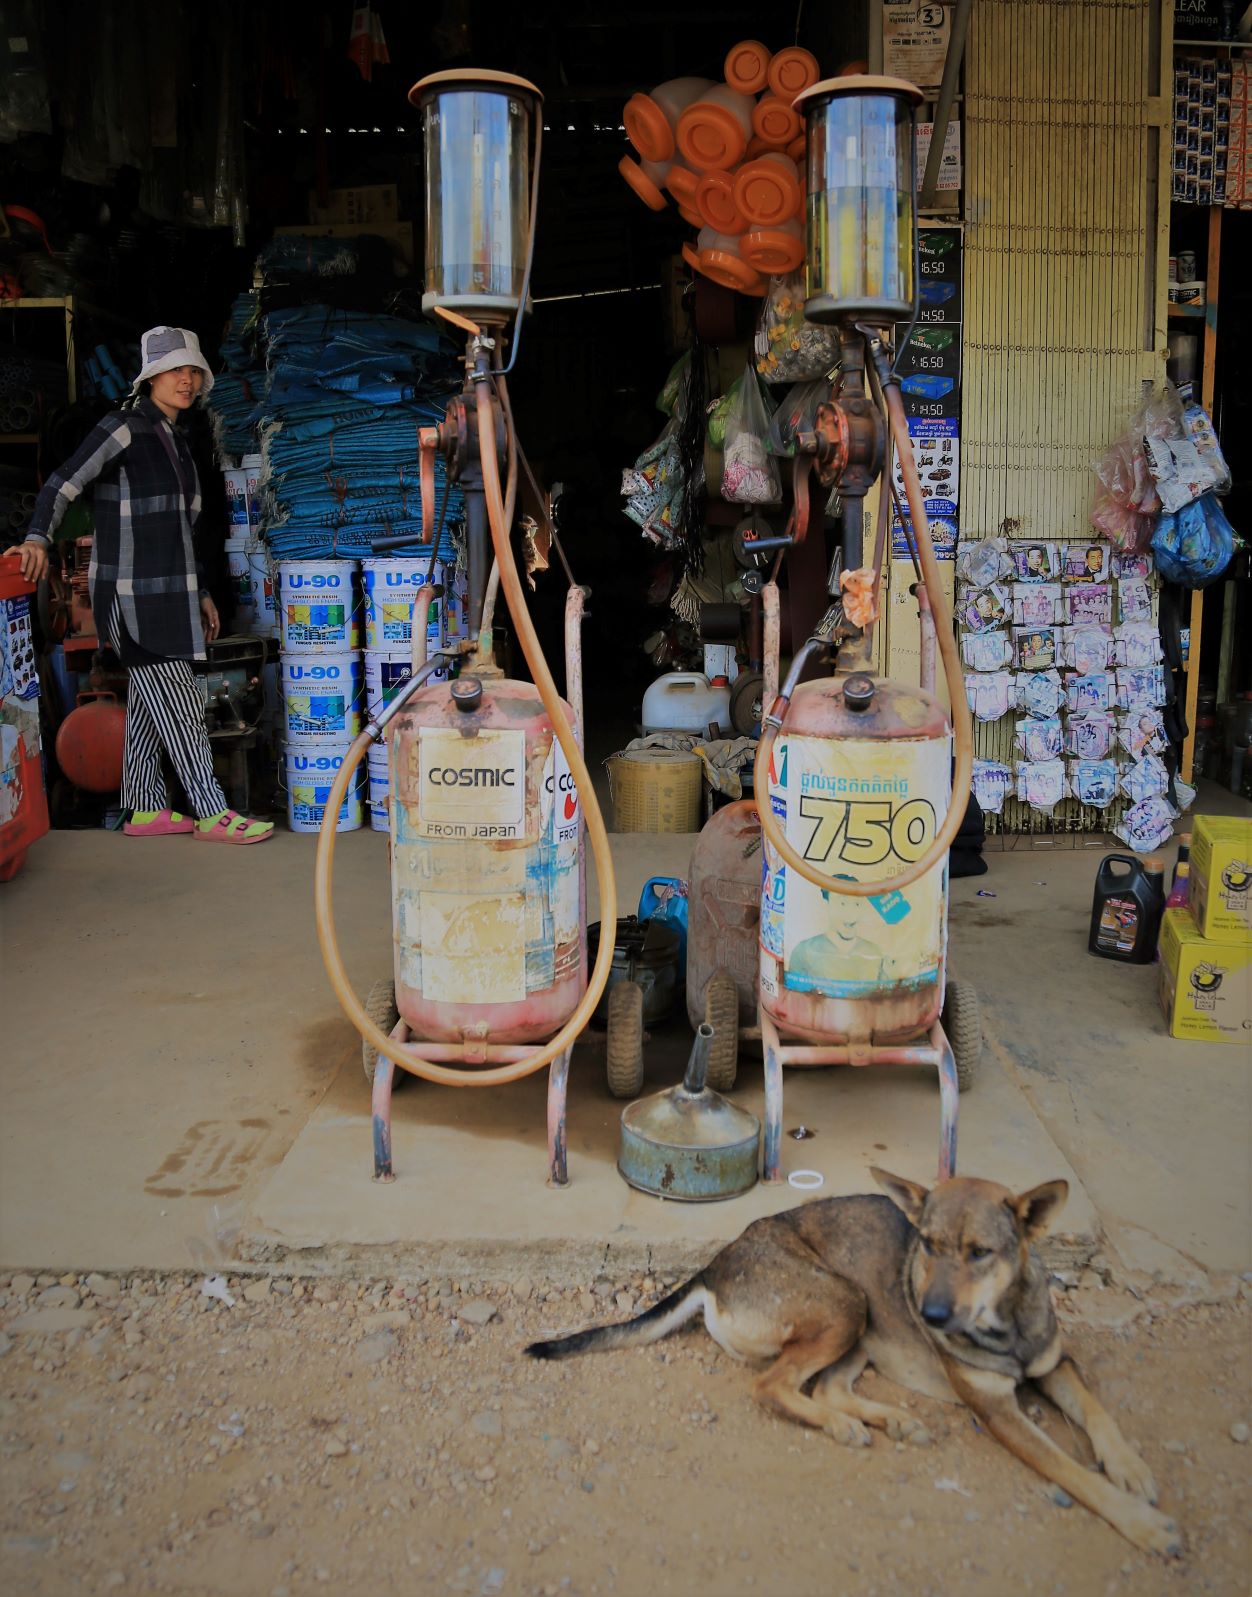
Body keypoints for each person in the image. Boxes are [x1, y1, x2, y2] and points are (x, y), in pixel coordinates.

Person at [19, 326, 273, 843]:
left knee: (147, 700)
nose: (186, 379)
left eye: (193, 370)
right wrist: (37, 537)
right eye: (174, 370)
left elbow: (181, 530)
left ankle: (143, 808)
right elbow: (63, 481)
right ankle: (211, 812)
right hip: (131, 594)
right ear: (150, 377)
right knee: (180, 700)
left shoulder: (176, 441)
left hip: (171, 593)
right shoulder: (123, 428)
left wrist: (201, 591)